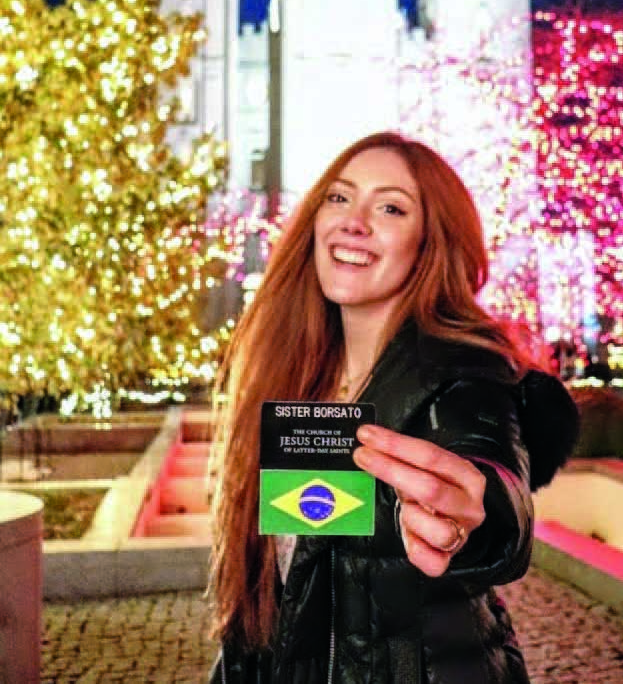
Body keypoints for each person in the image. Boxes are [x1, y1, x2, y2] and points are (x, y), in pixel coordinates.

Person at [209, 131, 579, 684]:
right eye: (338, 197)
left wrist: (472, 514)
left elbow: (492, 480)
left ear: (431, 242)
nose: (353, 221)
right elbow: (272, 596)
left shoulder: (466, 374)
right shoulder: (291, 372)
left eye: (390, 207)